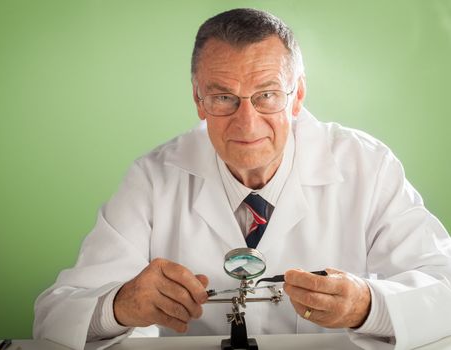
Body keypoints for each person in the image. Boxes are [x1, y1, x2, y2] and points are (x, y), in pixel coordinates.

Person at [33, 8, 451, 350]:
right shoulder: (154, 177)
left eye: (267, 94)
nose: (246, 122)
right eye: (223, 98)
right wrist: (120, 306)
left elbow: (445, 291)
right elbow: (54, 316)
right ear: (198, 99)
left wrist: (368, 306)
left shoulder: (367, 165)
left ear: (298, 96)